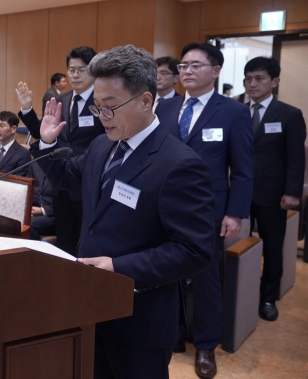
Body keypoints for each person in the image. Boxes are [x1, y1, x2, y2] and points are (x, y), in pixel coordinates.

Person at [34, 44, 214, 379]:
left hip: (140, 319)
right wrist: (47, 143)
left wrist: (118, 267)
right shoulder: (103, 145)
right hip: (90, 306)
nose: (102, 117)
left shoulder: (180, 165)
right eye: (97, 107)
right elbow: (67, 178)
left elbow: (194, 250)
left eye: (111, 107)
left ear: (146, 101)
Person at [155, 43, 253, 379]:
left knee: (205, 278)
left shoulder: (233, 112)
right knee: (166, 273)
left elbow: (242, 169)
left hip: (207, 209)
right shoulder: (165, 109)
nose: (187, 71)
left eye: (196, 65)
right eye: (183, 66)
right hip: (163, 206)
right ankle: (175, 334)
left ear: (215, 70)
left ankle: (206, 344)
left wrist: (235, 212)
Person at [16, 46, 104, 256]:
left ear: (92, 71)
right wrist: (27, 109)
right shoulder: (59, 100)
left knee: (89, 246)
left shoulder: (101, 102)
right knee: (66, 243)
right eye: (71, 70)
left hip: (89, 184)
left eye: (81, 70)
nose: (74, 75)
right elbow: (43, 133)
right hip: (61, 183)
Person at [245, 57, 306, 321]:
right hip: (240, 192)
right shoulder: (236, 110)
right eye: (248, 79)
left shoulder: (289, 114)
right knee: (239, 245)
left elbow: (296, 158)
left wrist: (292, 192)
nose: (252, 84)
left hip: (272, 194)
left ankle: (269, 297)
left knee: (272, 248)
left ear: (275, 81)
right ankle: (242, 292)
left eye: (259, 78)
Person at [28, 161, 54, 241]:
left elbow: (65, 202)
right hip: (33, 209)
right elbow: (27, 188)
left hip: (54, 214)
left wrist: (42, 211)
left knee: (31, 223)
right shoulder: (35, 163)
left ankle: (32, 253)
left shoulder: (65, 165)